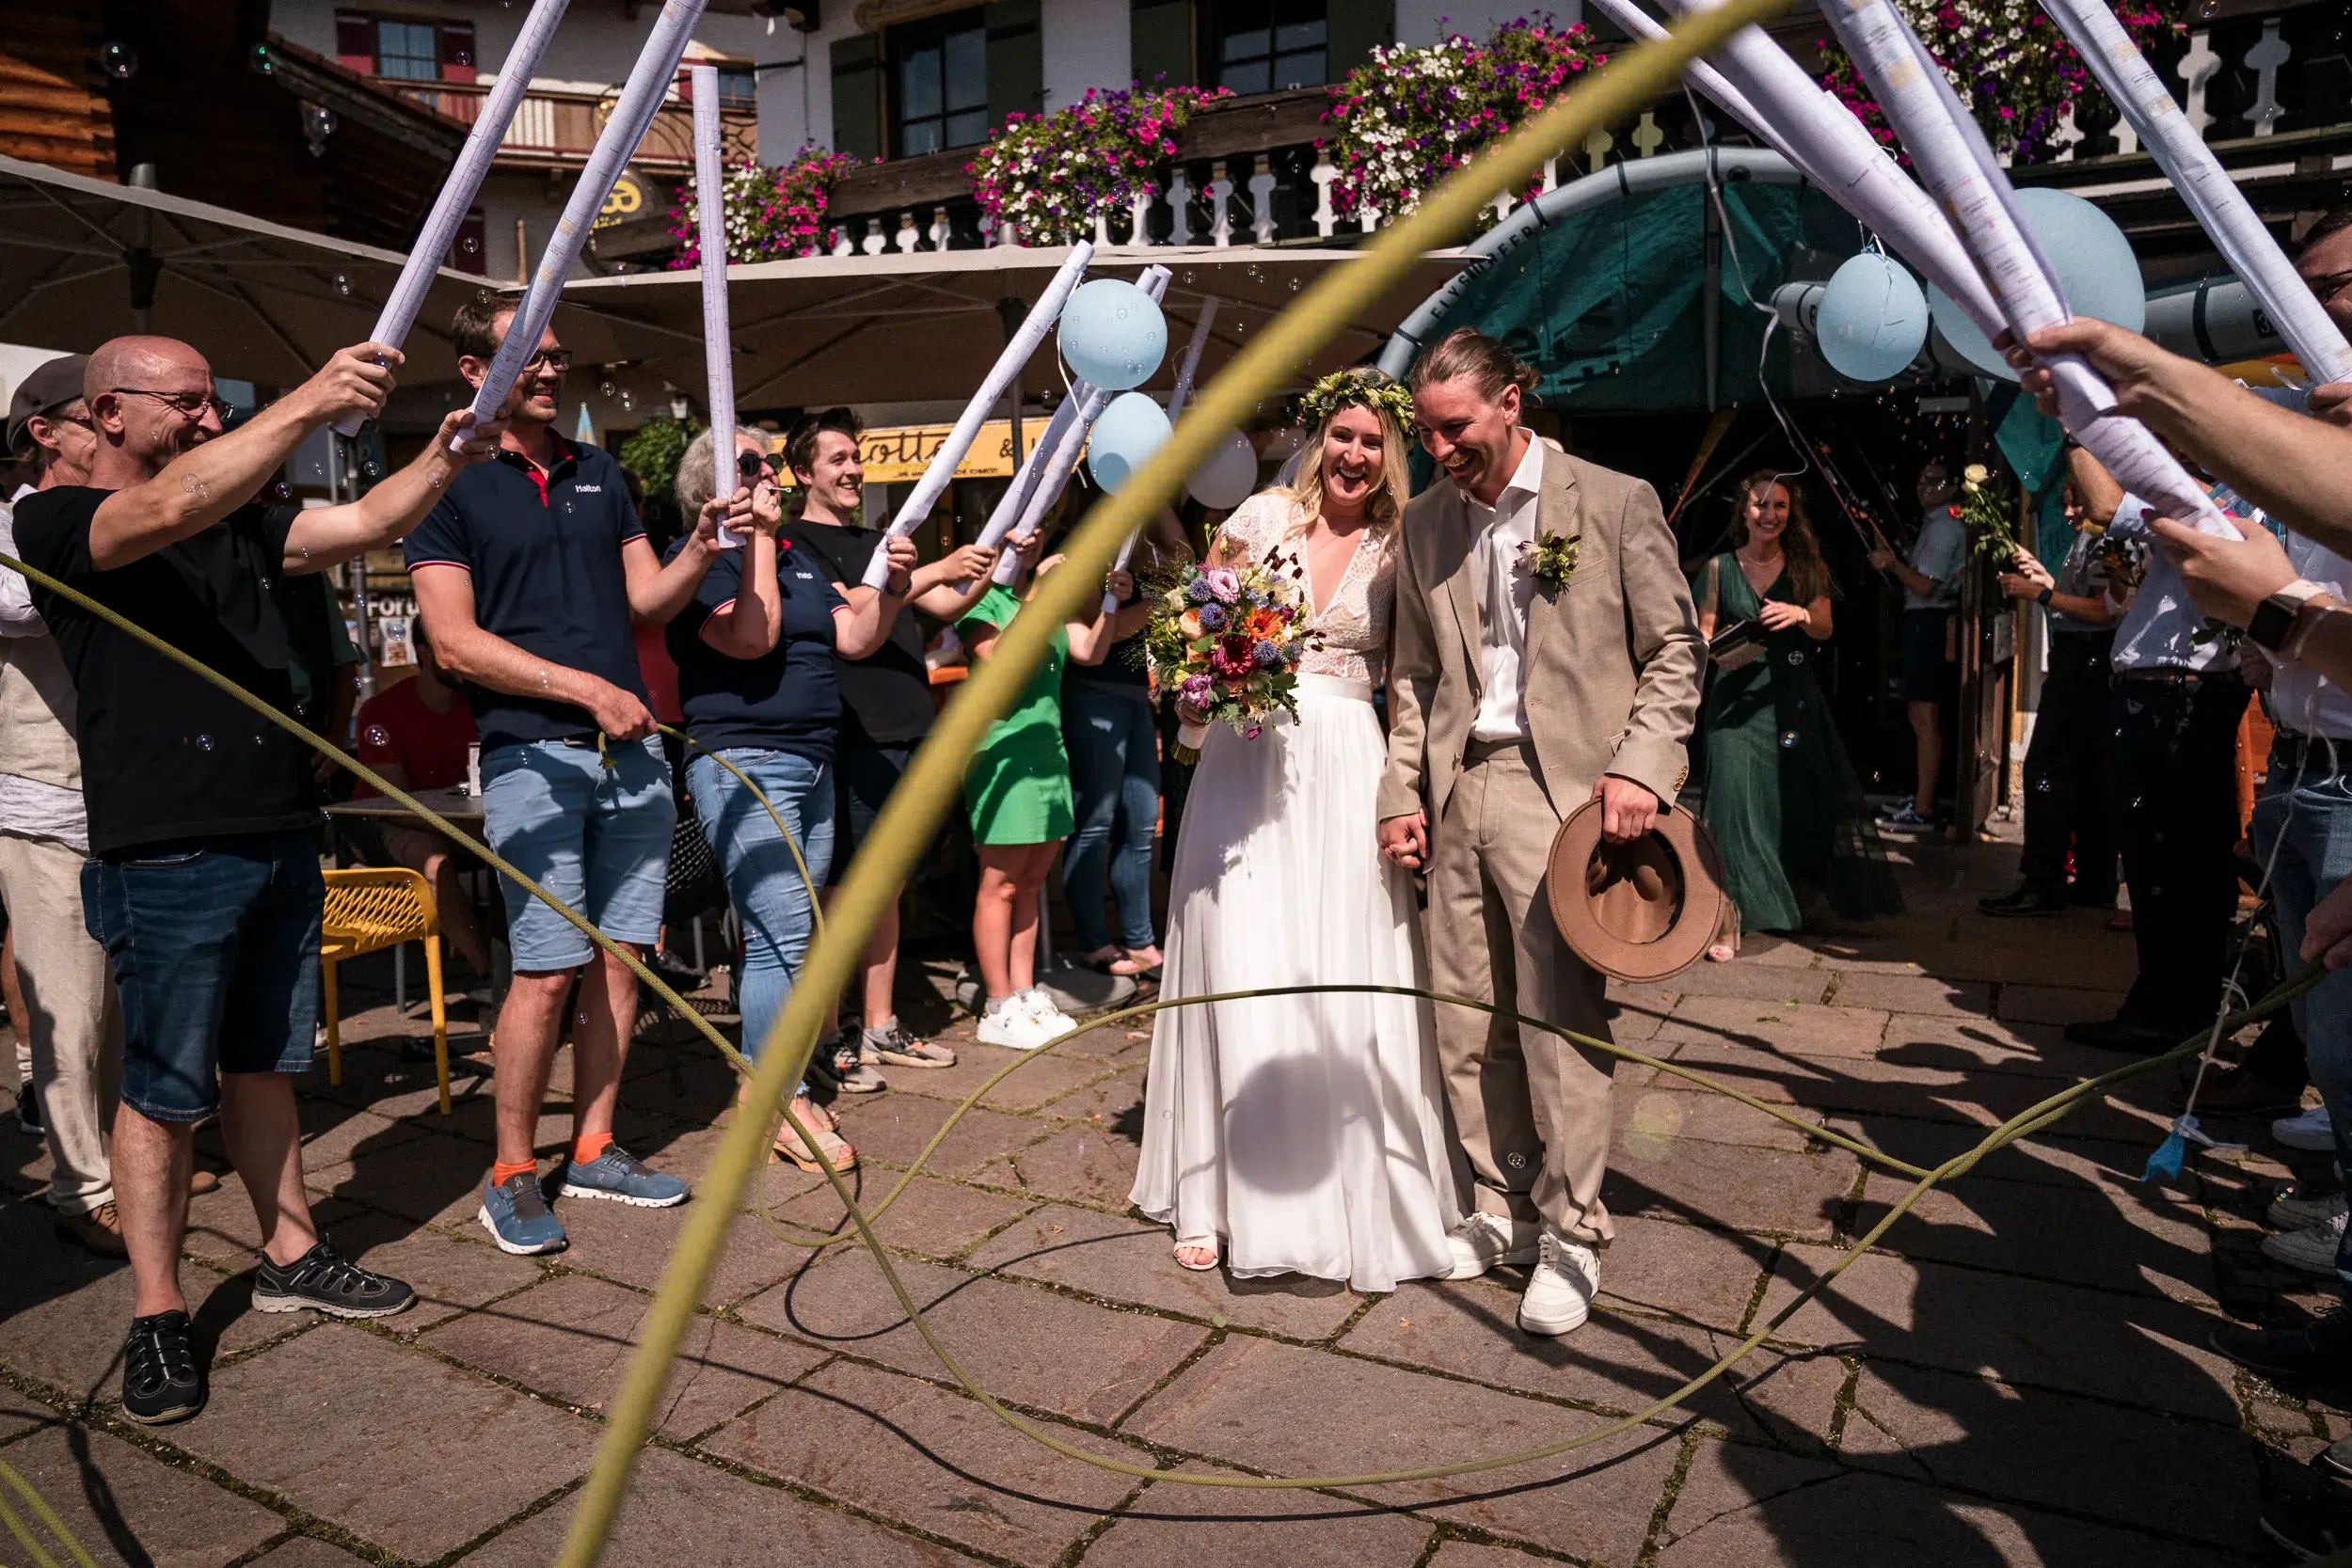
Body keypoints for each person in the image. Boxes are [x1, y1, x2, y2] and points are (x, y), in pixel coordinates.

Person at [13, 332, 502, 1423]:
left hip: (279, 825)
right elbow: (162, 507)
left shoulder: (232, 517)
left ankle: (291, 1251)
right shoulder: (54, 519)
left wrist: (448, 455)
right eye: (186, 401)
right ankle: (156, 1310)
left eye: (213, 399)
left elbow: (362, 523)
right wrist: (312, 399)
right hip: (167, 845)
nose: (209, 416)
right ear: (106, 411)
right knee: (162, 1090)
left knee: (267, 1063)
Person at [1378, 330, 1704, 1336]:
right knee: (1466, 1018)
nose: (1440, 449)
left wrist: (1641, 766)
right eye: (1428, 432)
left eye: (1456, 427)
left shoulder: (1613, 501)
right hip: (1459, 785)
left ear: (1512, 402)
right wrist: (1399, 790)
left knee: (1558, 1023)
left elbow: (1675, 651)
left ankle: (1573, 1231)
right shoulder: (1425, 522)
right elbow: (1413, 677)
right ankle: (1504, 1200)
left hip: (1563, 794)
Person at [1131, 368, 1462, 1288]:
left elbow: (1410, 678)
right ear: (1320, 440)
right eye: (1342, 436)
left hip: (1348, 765)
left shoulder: (1403, 540)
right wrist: (1195, 682)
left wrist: (1408, 789)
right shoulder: (1261, 517)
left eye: (1372, 442)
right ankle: (1215, 1194)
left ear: (1392, 453)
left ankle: (1346, 1187)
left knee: (1334, 967)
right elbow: (1190, 625)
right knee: (1241, 956)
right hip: (1246, 759)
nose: (1354, 454)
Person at [405, 297, 723, 1256]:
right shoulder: (444, 483)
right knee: (545, 971)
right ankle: (510, 1170)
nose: (551, 369)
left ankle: (592, 1146)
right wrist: (586, 689)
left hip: (632, 754)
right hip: (532, 755)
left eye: (557, 354)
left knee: (622, 960)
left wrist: (702, 543)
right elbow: (453, 644)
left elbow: (647, 601)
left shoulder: (599, 471)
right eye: (529, 356)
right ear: (476, 371)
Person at [665, 429, 916, 1173]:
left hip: (812, 763)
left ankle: (765, 1086)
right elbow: (755, 635)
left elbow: (854, 636)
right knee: (779, 930)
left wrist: (893, 586)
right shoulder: (703, 561)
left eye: (771, 460)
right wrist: (756, 542)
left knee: (795, 935)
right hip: (745, 762)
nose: (771, 471)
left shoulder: (795, 556)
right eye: (753, 463)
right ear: (714, 484)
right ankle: (784, 1104)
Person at [781, 407, 995, 1085]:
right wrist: (934, 568)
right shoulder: (793, 541)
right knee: (843, 891)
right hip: (856, 733)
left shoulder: (877, 539)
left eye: (856, 457)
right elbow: (851, 605)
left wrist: (991, 561)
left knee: (889, 883)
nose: (853, 469)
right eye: (838, 459)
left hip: (910, 727)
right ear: (803, 472)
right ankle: (829, 1034)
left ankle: (880, 1023)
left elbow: (946, 607)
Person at [0, 352, 151, 1257]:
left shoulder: (120, 516)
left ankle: (125, 1163)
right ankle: (78, 1189)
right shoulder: (9, 526)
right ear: (47, 433)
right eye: (100, 416)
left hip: (123, 796)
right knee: (68, 1008)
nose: (117, 428)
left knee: (123, 1006)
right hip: (43, 800)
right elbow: (26, 607)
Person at [2053, 448, 2251, 1055]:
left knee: (2163, 859)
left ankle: (2165, 1010)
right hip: (2183, 692)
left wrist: (2076, 426)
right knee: (2185, 862)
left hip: (2172, 695)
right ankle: (2183, 1004)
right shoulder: (2234, 498)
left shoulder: (2205, 500)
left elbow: (2104, 503)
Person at [1692, 471, 1899, 957]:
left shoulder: (1806, 566)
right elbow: (1703, 633)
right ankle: (1727, 917)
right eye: (1760, 504)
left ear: (1791, 513)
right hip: (1734, 701)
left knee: (1786, 805)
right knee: (1731, 805)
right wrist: (1715, 649)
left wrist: (1800, 615)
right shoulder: (1719, 568)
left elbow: (1825, 626)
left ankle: (1778, 900)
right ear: (1744, 512)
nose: (1770, 514)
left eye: (1779, 505)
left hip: (1790, 699)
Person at [955, 534, 1119, 1048]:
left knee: (1030, 883)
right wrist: (1036, 595)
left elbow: (1091, 649)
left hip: (1050, 754)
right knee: (1000, 883)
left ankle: (1024, 993)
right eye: (1019, 537)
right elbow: (999, 657)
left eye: (1036, 537)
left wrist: (1112, 602)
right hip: (1002, 754)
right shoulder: (981, 600)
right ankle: (996, 1005)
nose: (1030, 545)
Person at [1980, 475, 2122, 917]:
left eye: (2077, 503)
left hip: (2087, 660)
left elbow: (2105, 609)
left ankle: (2044, 880)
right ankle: (2094, 881)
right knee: (2087, 772)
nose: (2068, 512)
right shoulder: (2091, 538)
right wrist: (2045, 580)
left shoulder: (2108, 540)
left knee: (2047, 767)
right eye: (2065, 503)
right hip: (2086, 659)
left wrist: (2041, 594)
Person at [1061, 505, 1188, 980]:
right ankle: (1094, 940)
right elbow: (1102, 632)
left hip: (1134, 697)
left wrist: (1161, 501)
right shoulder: (1075, 554)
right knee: (1095, 823)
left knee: (1140, 822)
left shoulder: (1137, 553)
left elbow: (1184, 560)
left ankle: (1139, 940)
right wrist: (1159, 606)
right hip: (1092, 695)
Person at [350, 624, 491, 977]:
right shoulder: (381, 710)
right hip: (382, 820)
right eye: (455, 649)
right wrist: (468, 832)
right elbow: (395, 804)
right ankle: (488, 976)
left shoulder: (481, 708)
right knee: (433, 860)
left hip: (461, 818)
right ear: (424, 653)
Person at [1867, 462, 1966, 832]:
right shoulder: (1937, 523)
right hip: (1925, 622)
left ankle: (1924, 810)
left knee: (1925, 717)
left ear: (1953, 485)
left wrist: (1892, 564)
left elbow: (1925, 586)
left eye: (1934, 480)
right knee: (1920, 715)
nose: (1924, 486)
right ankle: (1923, 799)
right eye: (1921, 479)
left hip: (1930, 623)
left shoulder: (1944, 526)